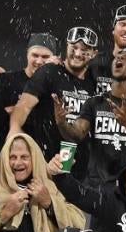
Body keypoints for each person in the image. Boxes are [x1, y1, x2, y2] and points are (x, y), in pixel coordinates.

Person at [55, 47, 126, 186]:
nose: (119, 58)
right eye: (118, 55)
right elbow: (77, 134)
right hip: (96, 187)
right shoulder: (95, 102)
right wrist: (62, 123)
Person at [9, 26, 100, 167]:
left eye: (84, 50)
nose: (77, 53)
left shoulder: (94, 81)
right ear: (67, 46)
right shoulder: (49, 72)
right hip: (47, 159)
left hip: (82, 165)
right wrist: (14, 130)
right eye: (74, 47)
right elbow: (24, 106)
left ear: (94, 54)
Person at [0, 33, 60, 154]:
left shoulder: (58, 84)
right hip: (11, 158)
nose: (39, 61)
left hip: (45, 160)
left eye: (45, 56)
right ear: (27, 54)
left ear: (54, 58)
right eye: (35, 55)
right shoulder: (7, 81)